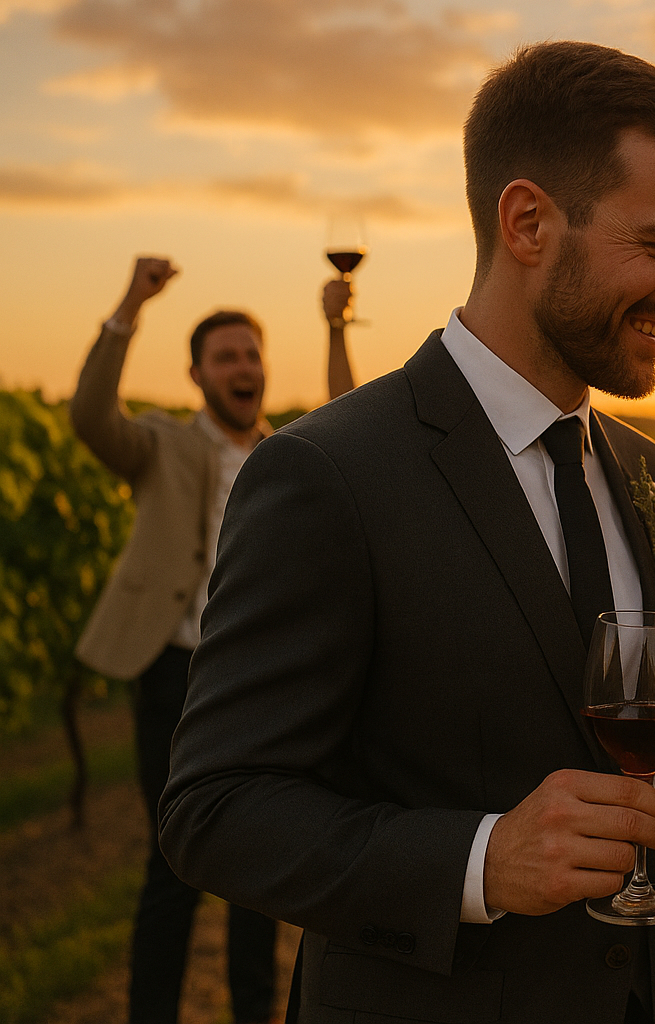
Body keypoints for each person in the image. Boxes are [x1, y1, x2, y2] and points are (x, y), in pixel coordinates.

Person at [158, 42, 655, 1024]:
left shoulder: (651, 472)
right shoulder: (328, 473)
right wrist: (481, 859)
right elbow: (215, 809)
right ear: (528, 222)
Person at [70, 257, 356, 1022]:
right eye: (225, 357)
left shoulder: (292, 455)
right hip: (173, 673)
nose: (243, 368)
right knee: (171, 863)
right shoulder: (159, 444)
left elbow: (357, 422)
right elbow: (90, 417)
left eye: (251, 354)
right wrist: (130, 304)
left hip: (264, 682)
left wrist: (335, 326)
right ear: (196, 374)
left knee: (259, 864)